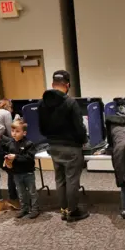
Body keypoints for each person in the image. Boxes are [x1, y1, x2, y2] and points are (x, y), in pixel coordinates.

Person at [38, 70, 89, 222]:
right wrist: (83, 140)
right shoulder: (70, 102)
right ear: (67, 85)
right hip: (71, 148)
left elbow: (41, 128)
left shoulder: (41, 103)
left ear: (53, 85)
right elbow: (79, 128)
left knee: (60, 180)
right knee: (72, 180)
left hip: (53, 147)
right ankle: (73, 211)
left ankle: (63, 209)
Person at [0, 120, 39, 219]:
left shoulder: (29, 144)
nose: (14, 134)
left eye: (17, 131)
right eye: (12, 131)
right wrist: (7, 157)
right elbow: (3, 152)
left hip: (28, 173)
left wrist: (15, 157)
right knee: (21, 193)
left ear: (24, 133)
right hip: (16, 173)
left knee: (32, 192)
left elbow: (29, 158)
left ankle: (35, 209)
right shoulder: (10, 143)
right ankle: (24, 208)